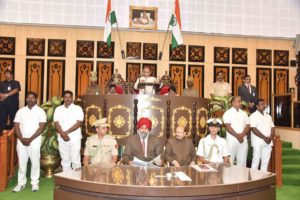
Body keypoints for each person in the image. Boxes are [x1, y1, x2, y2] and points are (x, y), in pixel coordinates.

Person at [12, 92, 46, 192]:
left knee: (35, 162)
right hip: (21, 141)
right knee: (22, 163)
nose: (30, 99)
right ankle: (21, 183)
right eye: (28, 98)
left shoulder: (40, 111)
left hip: (35, 140)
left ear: (36, 99)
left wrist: (30, 139)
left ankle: (34, 183)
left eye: (32, 98)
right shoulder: (20, 111)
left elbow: (42, 127)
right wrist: (22, 138)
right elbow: (16, 126)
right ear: (26, 99)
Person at [54, 90, 84, 172]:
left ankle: (77, 181)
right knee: (65, 160)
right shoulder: (58, 109)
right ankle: (67, 180)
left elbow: (79, 123)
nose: (67, 99)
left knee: (75, 160)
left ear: (72, 98)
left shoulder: (78, 108)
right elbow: (56, 123)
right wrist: (62, 134)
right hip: (62, 138)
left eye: (69, 97)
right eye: (66, 97)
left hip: (74, 138)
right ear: (63, 98)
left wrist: (66, 133)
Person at [223, 96, 250, 167]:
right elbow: (228, 126)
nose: (240, 103)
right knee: (230, 161)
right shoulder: (227, 113)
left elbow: (248, 126)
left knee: (242, 162)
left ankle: (241, 178)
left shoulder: (244, 113)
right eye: (238, 101)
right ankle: (229, 178)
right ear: (233, 103)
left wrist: (242, 135)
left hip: (243, 140)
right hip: (232, 140)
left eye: (240, 101)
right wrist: (237, 136)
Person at [250, 99, 275, 172]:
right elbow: (253, 128)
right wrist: (265, 138)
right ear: (257, 106)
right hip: (258, 142)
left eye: (264, 104)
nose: (264, 105)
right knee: (255, 162)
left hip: (268, 141)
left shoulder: (268, 116)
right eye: (262, 104)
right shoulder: (253, 116)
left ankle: (262, 180)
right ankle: (253, 180)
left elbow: (273, 127)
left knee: (265, 162)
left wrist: (270, 138)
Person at [0, 69, 21, 134]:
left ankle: (13, 132)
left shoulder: (16, 82)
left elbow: (16, 90)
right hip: (3, 104)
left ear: (11, 75)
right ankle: (2, 131)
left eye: (8, 73)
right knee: (2, 118)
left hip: (13, 104)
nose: (6, 75)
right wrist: (1, 96)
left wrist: (6, 95)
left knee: (13, 118)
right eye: (5, 73)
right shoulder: (2, 83)